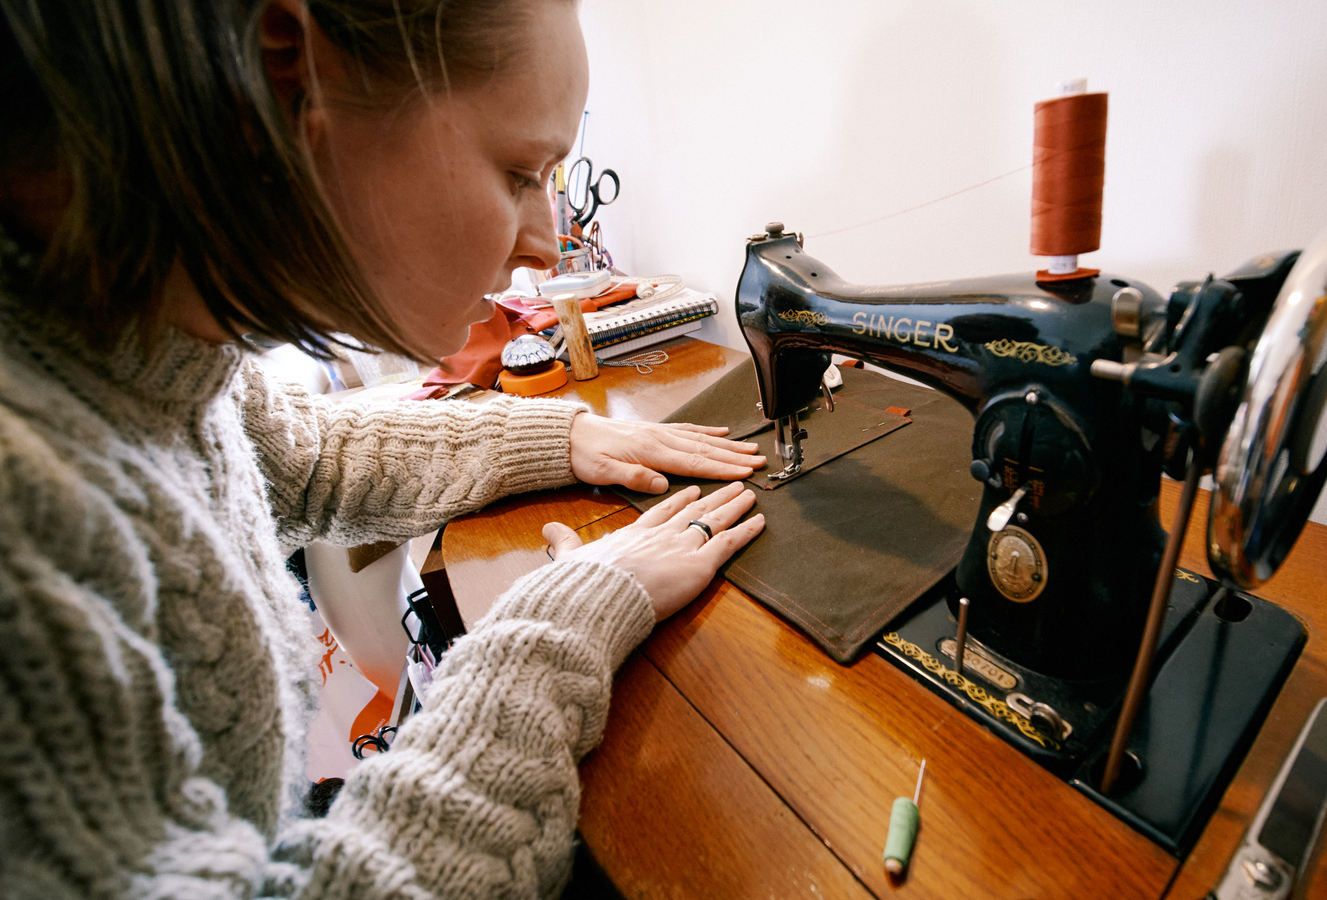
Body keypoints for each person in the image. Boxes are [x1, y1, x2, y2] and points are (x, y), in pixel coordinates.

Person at [0, 0, 765, 896]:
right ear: (286, 78)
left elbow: (304, 456)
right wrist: (551, 633)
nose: (544, 244)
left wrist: (561, 433)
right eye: (520, 173)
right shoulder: (24, 505)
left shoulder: (146, 341)